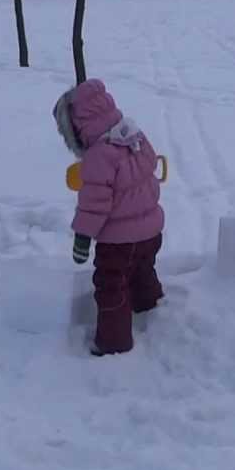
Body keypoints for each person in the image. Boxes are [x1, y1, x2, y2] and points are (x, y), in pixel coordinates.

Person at [53, 78, 165, 356]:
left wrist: (82, 239)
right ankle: (149, 307)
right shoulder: (134, 135)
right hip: (151, 232)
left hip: (118, 242)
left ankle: (114, 342)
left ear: (78, 128)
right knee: (141, 271)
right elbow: (151, 165)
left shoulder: (98, 157)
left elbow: (94, 205)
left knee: (111, 285)